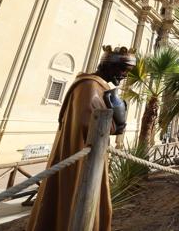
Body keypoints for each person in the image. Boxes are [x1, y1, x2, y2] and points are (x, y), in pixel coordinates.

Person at [27, 45, 136, 231]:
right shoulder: (90, 86)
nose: (124, 75)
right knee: (77, 202)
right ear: (108, 65)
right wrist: (117, 119)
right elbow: (92, 124)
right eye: (122, 70)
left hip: (86, 154)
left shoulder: (93, 85)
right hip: (82, 159)